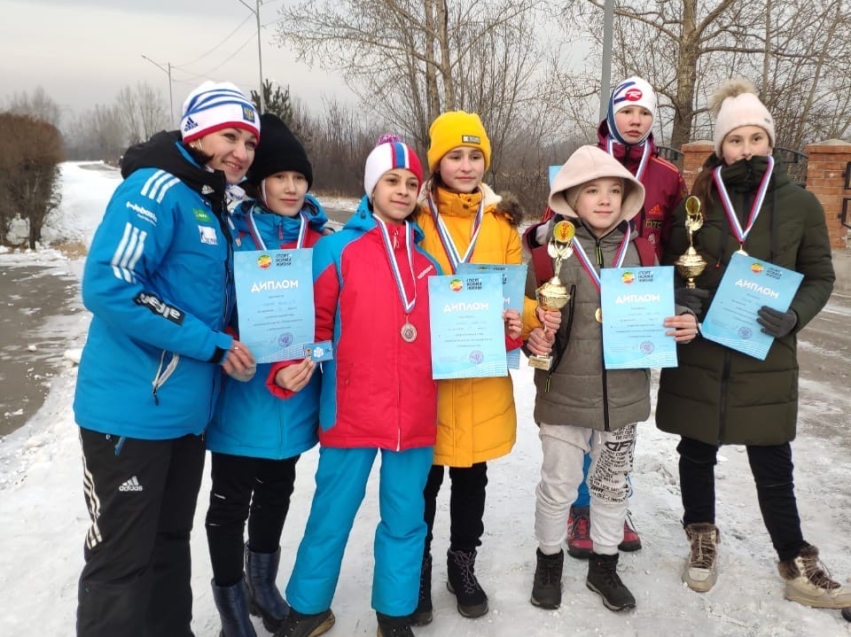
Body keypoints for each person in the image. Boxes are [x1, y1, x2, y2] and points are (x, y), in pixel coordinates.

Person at [73, 81, 260, 637]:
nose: (242, 152)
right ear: (196, 132)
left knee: (169, 545)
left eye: (249, 141)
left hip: (184, 416)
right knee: (121, 563)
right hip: (129, 414)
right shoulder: (155, 187)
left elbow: (212, 301)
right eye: (230, 135)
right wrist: (211, 343)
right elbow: (109, 284)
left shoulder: (211, 204)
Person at [655, 79, 851, 609]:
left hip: (764, 349)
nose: (745, 150)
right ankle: (701, 536)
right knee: (695, 449)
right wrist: (684, 301)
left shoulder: (802, 205)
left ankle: (794, 558)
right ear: (720, 147)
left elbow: (819, 276)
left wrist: (793, 317)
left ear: (770, 143)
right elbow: (674, 267)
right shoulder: (695, 202)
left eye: (755, 139)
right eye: (735, 140)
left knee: (772, 459)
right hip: (700, 351)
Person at [270, 136, 439, 637]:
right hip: (351, 409)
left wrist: (505, 329)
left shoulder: (431, 263)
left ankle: (395, 614)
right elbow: (312, 326)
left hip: (414, 417)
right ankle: (307, 608)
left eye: (412, 183)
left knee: (406, 520)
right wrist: (289, 364)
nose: (403, 191)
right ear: (372, 186)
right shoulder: (337, 249)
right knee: (331, 513)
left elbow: (456, 329)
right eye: (392, 181)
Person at [525, 145, 698, 612]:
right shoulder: (548, 256)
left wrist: (680, 318)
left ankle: (604, 565)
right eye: (593, 191)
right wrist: (533, 338)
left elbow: (660, 308)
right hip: (563, 396)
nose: (605, 200)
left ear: (627, 198)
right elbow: (528, 323)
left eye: (615, 191)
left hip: (622, 397)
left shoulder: (641, 250)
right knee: (559, 485)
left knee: (611, 485)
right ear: (570, 198)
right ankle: (549, 561)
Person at [534, 76, 688, 558]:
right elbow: (549, 238)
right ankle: (576, 514)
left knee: (614, 437)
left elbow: (681, 242)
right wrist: (538, 239)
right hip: (581, 287)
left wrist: (675, 304)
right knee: (573, 432)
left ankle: (611, 512)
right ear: (612, 115)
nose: (636, 120)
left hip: (638, 298)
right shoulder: (583, 161)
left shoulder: (667, 174)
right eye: (627, 112)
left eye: (644, 113)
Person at [409, 111, 538, 623]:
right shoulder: (413, 218)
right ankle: (414, 570)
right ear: (437, 162)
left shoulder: (503, 223)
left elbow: (518, 295)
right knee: (422, 481)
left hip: (481, 375)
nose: (466, 166)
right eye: (455, 156)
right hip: (427, 375)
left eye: (475, 156)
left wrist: (526, 318)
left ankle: (462, 564)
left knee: (471, 480)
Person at [204, 113, 329, 637]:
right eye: (281, 177)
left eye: (299, 179)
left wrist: (317, 355)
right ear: (260, 183)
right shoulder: (231, 232)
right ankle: (232, 608)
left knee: (278, 489)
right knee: (230, 502)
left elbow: (338, 320)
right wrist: (228, 343)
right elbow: (214, 305)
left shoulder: (323, 240)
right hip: (242, 393)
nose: (292, 187)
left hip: (296, 394)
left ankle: (263, 585)